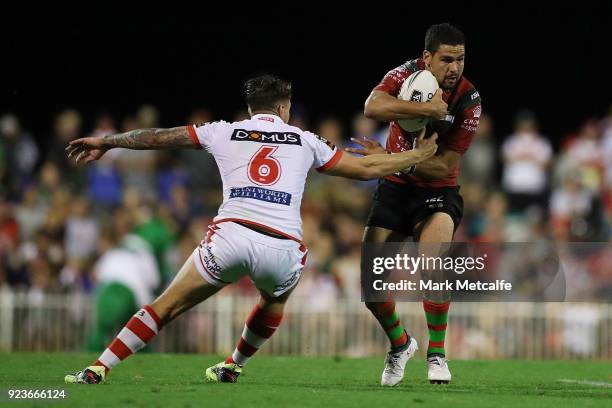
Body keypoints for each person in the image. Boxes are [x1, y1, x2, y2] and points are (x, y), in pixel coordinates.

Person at [64, 74, 438, 384]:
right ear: (282, 108)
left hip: (231, 236)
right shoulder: (305, 140)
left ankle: (99, 368)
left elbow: (160, 136)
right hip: (283, 247)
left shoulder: (222, 131)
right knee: (274, 299)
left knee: (165, 307)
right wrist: (416, 157)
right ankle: (234, 364)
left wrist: (108, 142)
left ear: (250, 108)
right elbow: (367, 170)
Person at [346, 23, 481, 386]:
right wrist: (424, 110)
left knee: (431, 264)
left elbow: (443, 164)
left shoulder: (469, 101)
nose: (455, 67)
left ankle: (436, 352)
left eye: (461, 59)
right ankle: (401, 344)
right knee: (371, 289)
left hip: (437, 190)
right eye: (447, 59)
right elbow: (372, 106)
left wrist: (395, 155)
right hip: (393, 188)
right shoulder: (403, 75)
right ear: (427, 58)